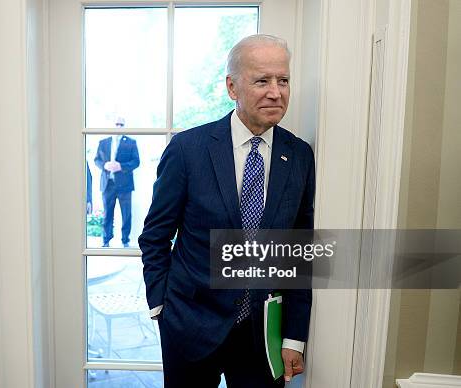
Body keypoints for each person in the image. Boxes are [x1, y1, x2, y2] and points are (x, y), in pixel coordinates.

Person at [139, 34, 315, 387]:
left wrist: (294, 336)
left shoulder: (298, 155)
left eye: (283, 80)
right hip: (189, 325)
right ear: (232, 87)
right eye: (262, 80)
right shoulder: (189, 150)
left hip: (263, 336)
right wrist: (161, 306)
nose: (276, 92)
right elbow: (155, 236)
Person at [94, 117, 140, 248]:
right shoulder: (103, 143)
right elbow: (97, 160)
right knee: (108, 213)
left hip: (125, 185)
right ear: (112, 125)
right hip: (108, 184)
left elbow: (136, 162)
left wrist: (121, 166)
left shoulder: (131, 143)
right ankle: (106, 240)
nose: (119, 126)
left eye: (122, 124)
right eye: (116, 124)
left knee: (126, 213)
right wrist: (105, 165)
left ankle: (125, 240)